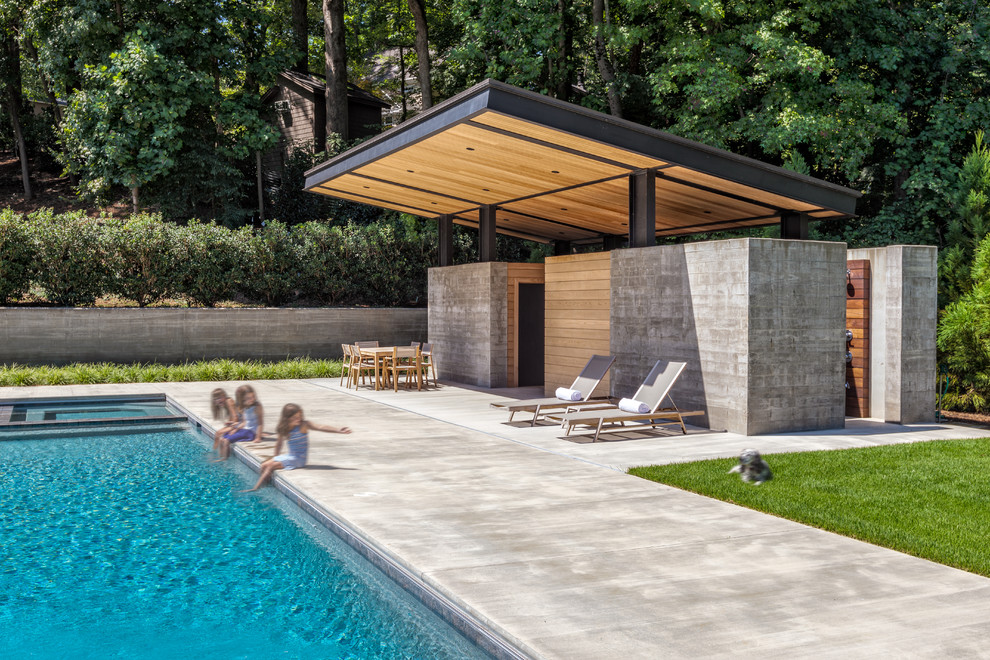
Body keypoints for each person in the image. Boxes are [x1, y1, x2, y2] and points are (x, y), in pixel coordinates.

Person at [242, 403, 350, 491]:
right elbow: (279, 444)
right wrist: (275, 457)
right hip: (290, 456)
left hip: (299, 459)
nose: (299, 419)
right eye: (295, 417)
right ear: (287, 418)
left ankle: (255, 489)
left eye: (300, 416)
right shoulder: (283, 428)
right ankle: (266, 486)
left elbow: (320, 427)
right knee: (264, 465)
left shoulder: (303, 425)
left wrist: (338, 430)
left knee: (270, 467)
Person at [215, 384, 264, 461]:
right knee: (222, 438)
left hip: (251, 432)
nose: (252, 399)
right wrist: (235, 429)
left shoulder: (257, 406)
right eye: (248, 398)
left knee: (226, 441)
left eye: (253, 397)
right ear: (243, 399)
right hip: (244, 429)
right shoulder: (244, 407)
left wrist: (258, 437)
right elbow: (244, 422)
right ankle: (220, 456)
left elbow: (260, 423)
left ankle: (224, 460)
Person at [210, 388, 238, 453]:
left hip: (238, 424)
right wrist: (229, 422)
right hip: (235, 423)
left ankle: (214, 452)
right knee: (220, 435)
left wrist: (233, 426)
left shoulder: (228, 401)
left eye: (219, 398)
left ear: (224, 396)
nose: (218, 400)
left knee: (218, 433)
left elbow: (235, 416)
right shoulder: (226, 402)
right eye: (216, 399)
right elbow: (232, 415)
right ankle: (217, 451)